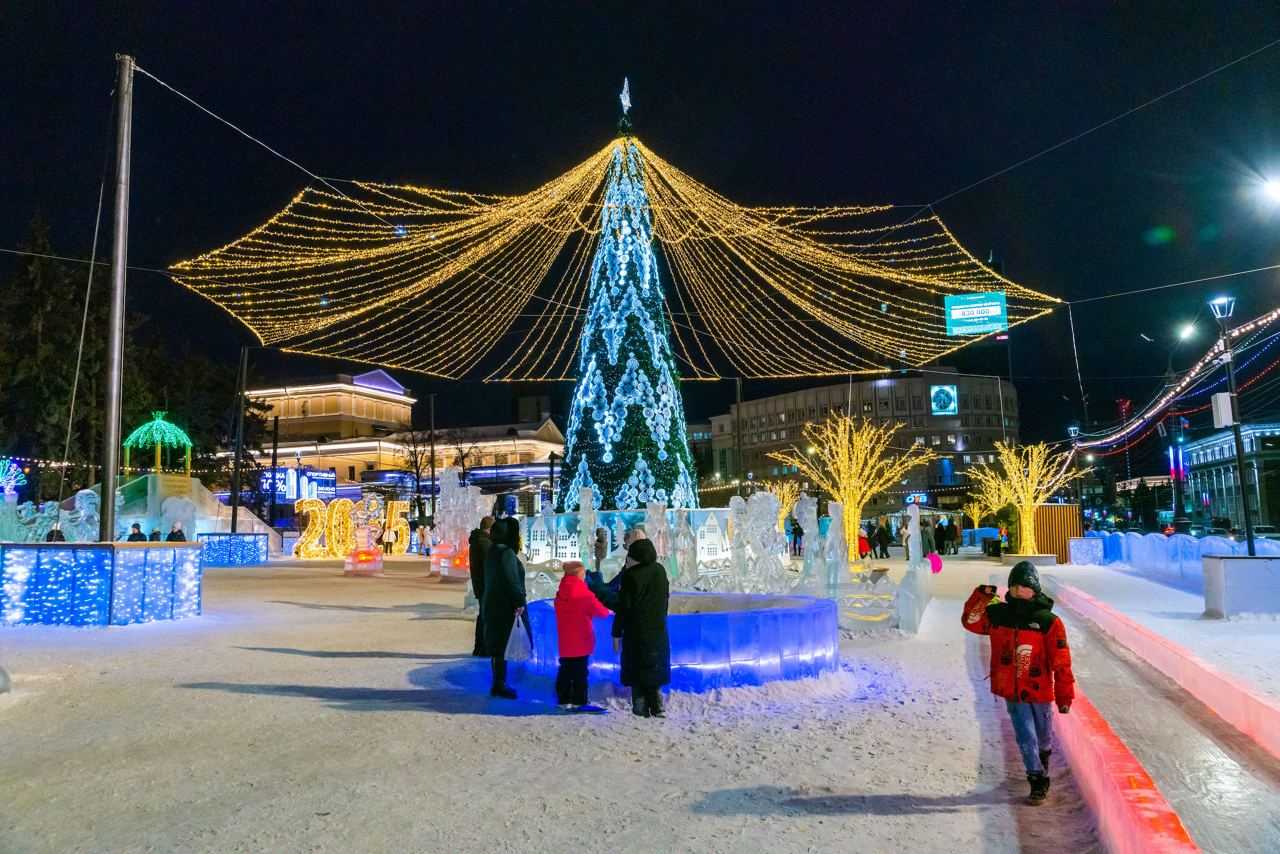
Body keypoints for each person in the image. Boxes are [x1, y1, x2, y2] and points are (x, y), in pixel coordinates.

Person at [962, 561, 1075, 806]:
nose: (1019, 591)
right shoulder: (999, 615)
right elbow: (971, 621)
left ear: (1034, 589)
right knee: (1025, 735)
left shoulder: (1048, 621)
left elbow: (1061, 662)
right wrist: (981, 596)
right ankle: (1036, 779)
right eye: (1014, 586)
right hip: (1012, 689)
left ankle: (1042, 762)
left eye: (1024, 586)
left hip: (1040, 690)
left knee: (1043, 736)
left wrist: (1065, 695)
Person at [613, 538, 671, 718]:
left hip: (636, 631)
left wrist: (616, 632)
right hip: (657, 629)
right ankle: (657, 706)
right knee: (654, 667)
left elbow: (623, 607)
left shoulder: (630, 576)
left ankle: (640, 708)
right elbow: (665, 598)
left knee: (637, 672)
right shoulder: (660, 571)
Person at [553, 560, 612, 713]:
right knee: (580, 673)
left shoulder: (560, 593)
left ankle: (563, 700)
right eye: (583, 573)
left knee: (565, 670)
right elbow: (603, 612)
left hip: (565, 641)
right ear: (578, 574)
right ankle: (579, 701)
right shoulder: (584, 594)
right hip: (581, 640)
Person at [483, 517, 528, 699]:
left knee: (498, 646)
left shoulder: (493, 550)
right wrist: (519, 602)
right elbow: (512, 581)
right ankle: (500, 684)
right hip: (504, 606)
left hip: (493, 604)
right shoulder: (506, 553)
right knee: (502, 645)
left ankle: (498, 682)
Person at [469, 516, 495, 657]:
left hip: (480, 584)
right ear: (490, 529)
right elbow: (489, 566)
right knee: (486, 617)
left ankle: (480, 647)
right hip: (485, 586)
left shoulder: (478, 540)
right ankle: (483, 648)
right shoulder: (484, 543)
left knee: (483, 615)